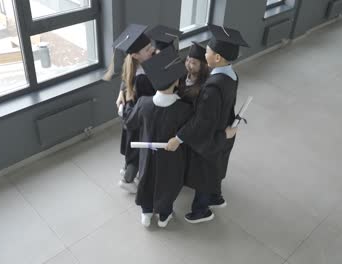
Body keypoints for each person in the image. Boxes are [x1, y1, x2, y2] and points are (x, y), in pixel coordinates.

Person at [165, 24, 249, 224]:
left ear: (217, 58)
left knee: (203, 174)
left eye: (209, 51)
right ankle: (216, 198)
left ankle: (202, 210)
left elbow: (200, 122)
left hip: (211, 136)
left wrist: (178, 138)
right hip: (224, 128)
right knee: (216, 168)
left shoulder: (211, 87)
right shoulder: (232, 75)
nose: (206, 54)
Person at [125, 46, 193, 228]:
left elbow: (130, 123)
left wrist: (126, 104)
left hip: (147, 156)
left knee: (147, 180)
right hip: (172, 158)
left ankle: (146, 213)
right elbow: (190, 133)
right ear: (177, 82)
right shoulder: (184, 109)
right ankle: (164, 215)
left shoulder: (143, 103)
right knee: (168, 184)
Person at [104, 24, 156, 193]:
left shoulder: (130, 64)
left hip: (130, 113)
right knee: (136, 151)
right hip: (137, 119)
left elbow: (124, 83)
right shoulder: (142, 78)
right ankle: (127, 179)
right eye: (148, 49)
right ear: (135, 55)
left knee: (131, 149)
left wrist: (121, 93)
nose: (152, 50)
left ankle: (127, 169)